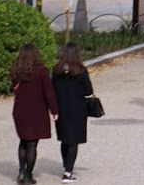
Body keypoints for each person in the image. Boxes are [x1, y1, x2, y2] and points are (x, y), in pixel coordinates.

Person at [11, 43, 56, 184]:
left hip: (20, 110)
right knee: (32, 144)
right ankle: (28, 175)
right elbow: (48, 93)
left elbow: (14, 88)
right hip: (36, 111)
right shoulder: (41, 71)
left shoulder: (16, 70)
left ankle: (21, 171)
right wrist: (54, 110)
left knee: (23, 140)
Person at [51, 43, 93, 183]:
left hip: (61, 108)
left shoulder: (56, 70)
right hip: (77, 109)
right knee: (74, 140)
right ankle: (68, 172)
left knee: (64, 138)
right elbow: (88, 90)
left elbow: (52, 89)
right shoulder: (80, 70)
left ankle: (66, 165)